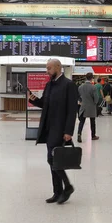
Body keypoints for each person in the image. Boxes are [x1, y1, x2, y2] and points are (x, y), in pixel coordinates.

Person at [28, 59, 78, 205]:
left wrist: (69, 131)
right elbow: (45, 104)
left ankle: (66, 187)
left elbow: (72, 111)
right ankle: (58, 192)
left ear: (58, 67)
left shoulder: (69, 85)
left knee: (53, 159)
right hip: (49, 128)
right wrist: (35, 100)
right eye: (46, 68)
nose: (47, 71)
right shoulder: (49, 84)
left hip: (60, 128)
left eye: (49, 68)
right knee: (53, 160)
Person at [77, 72, 99, 143]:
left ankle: (79, 134)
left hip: (83, 106)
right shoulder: (93, 87)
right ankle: (93, 135)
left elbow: (79, 96)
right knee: (92, 121)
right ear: (92, 78)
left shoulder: (80, 87)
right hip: (91, 107)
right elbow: (96, 98)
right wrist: (95, 103)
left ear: (86, 77)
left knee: (82, 122)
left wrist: (81, 101)